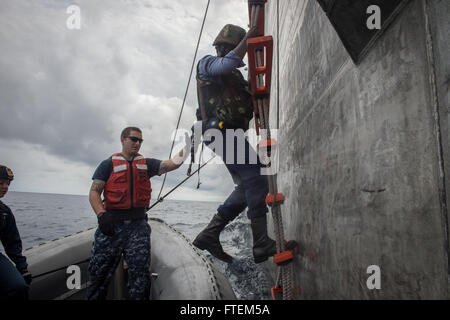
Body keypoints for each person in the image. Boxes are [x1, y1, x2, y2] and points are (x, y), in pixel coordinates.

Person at [192, 24, 277, 264]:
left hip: (228, 135)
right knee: (258, 177)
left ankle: (209, 234)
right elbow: (227, 64)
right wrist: (249, 40)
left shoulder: (235, 78)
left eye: (226, 47)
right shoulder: (207, 64)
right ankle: (260, 243)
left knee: (246, 186)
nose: (223, 50)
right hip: (220, 132)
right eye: (225, 47)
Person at [87, 126, 190, 300]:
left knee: (140, 278)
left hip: (138, 228)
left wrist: (189, 146)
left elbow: (172, 163)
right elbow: (94, 192)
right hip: (111, 227)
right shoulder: (107, 164)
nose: (137, 143)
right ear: (123, 140)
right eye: (133, 139)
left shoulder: (146, 164)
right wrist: (101, 215)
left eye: (140, 140)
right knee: (99, 276)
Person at [0, 165, 32, 300]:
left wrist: (22, 267)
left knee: (19, 287)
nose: (5, 187)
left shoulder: (4, 213)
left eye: (7, 184)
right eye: (1, 183)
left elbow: (12, 243)